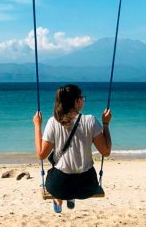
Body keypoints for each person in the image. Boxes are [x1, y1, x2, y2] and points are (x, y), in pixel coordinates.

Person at [33, 84, 112, 213]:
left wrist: (37, 125)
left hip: (59, 186)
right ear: (77, 101)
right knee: (72, 181)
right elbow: (106, 151)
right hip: (87, 186)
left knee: (52, 174)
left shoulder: (53, 122)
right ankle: (69, 197)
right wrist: (105, 124)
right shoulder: (91, 121)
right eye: (82, 97)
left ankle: (60, 198)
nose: (83, 100)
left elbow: (41, 154)